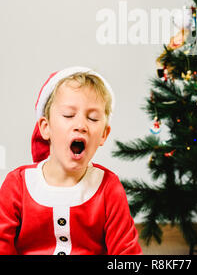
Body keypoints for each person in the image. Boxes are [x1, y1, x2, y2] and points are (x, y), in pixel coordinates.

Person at [0, 66, 143, 255]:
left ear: (103, 135)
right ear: (46, 127)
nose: (81, 125)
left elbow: (127, 252)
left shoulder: (108, 187)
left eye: (92, 118)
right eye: (68, 115)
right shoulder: (17, 185)